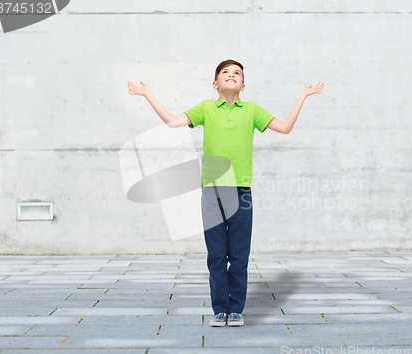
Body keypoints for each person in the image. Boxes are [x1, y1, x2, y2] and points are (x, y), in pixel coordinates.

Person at [127, 59, 324, 327]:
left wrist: (302, 97)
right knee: (217, 256)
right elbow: (174, 123)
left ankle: (236, 310)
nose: (231, 76)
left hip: (241, 192)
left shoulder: (252, 110)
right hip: (212, 192)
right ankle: (221, 309)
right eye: (225, 72)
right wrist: (148, 94)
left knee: (239, 256)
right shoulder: (206, 108)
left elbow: (285, 127)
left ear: (243, 85)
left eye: (237, 74)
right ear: (215, 83)